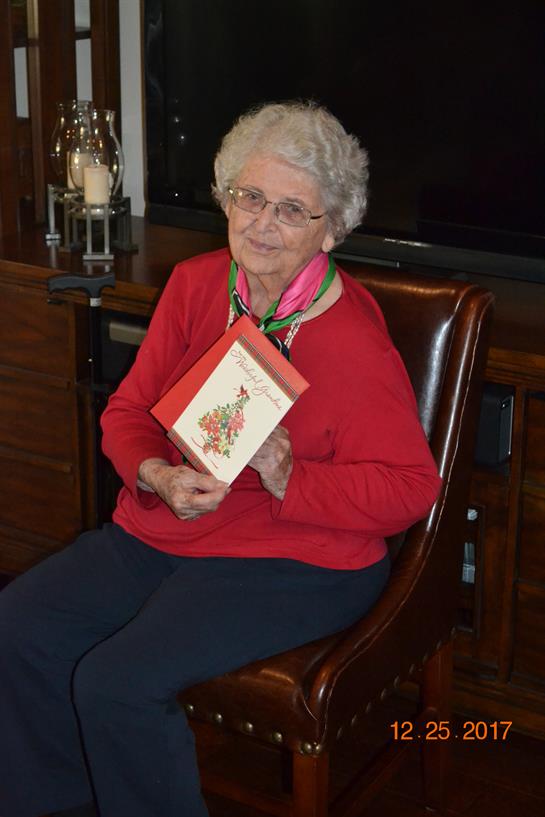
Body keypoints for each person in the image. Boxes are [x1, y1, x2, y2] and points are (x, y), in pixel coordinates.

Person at [0, 101, 441, 817]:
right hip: (173, 519)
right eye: (250, 196)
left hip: (300, 556)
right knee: (18, 628)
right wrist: (156, 473)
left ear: (331, 228)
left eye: (292, 210)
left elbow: (410, 489)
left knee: (117, 680)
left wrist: (288, 473)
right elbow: (127, 413)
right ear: (226, 196)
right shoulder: (198, 284)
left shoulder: (352, 337)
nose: (262, 223)